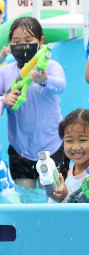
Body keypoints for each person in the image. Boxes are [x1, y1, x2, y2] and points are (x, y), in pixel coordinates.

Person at [0, 18, 65, 189]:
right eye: (16, 41)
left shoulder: (50, 66)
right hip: (20, 150)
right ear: (10, 44)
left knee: (52, 197)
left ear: (41, 41)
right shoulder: (5, 72)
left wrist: (45, 80)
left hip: (52, 146)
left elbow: (61, 86)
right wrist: (3, 100)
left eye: (28, 41)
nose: (22, 45)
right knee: (26, 200)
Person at [48, 109, 89, 203]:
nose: (75, 147)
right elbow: (53, 214)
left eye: (82, 140)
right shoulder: (63, 176)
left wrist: (65, 197)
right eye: (69, 140)